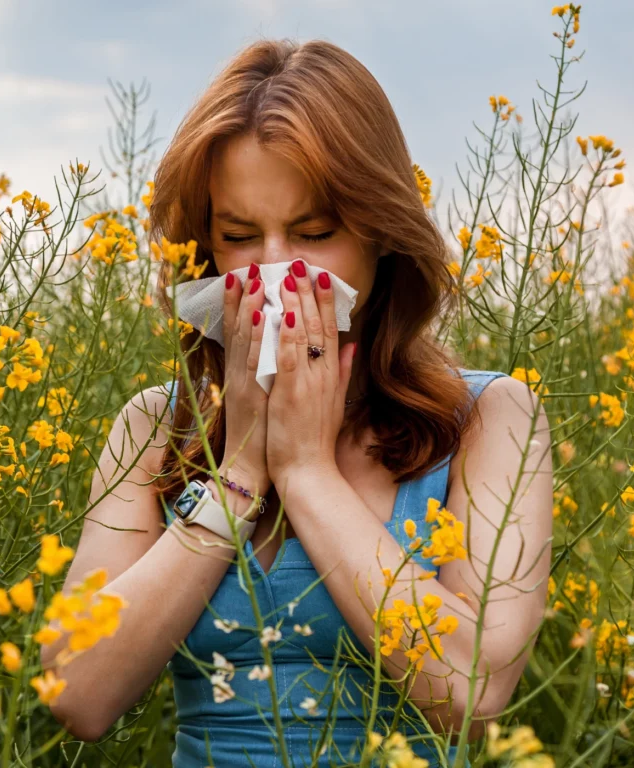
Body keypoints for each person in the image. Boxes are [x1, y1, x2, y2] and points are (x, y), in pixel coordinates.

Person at [41, 38, 554, 767]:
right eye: (240, 236)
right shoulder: (158, 424)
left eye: (314, 233)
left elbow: (471, 694)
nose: (276, 271)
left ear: (381, 234)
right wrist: (242, 470)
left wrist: (309, 472)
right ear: (205, 248)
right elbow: (77, 693)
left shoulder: (488, 419)